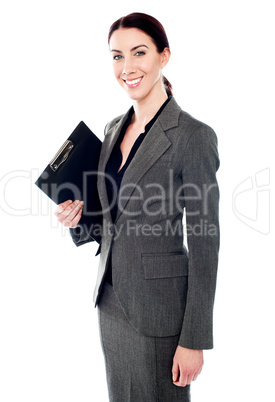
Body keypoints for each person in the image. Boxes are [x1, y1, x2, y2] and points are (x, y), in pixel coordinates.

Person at [55, 12, 220, 402]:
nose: (127, 67)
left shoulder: (193, 136)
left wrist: (194, 339)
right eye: (116, 56)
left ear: (163, 56)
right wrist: (76, 219)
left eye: (138, 52)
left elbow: (204, 243)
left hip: (161, 316)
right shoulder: (113, 129)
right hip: (111, 302)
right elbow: (107, 221)